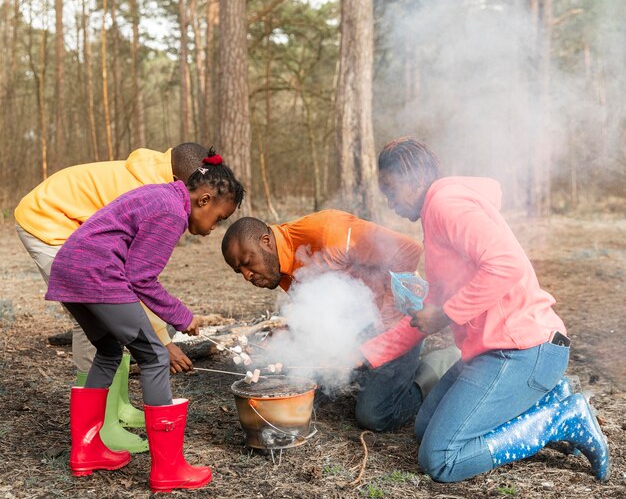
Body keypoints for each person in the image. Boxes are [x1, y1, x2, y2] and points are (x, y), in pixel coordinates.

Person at [376, 137, 611, 482]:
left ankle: (556, 421)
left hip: (522, 351)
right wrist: (367, 354)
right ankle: (548, 398)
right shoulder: (434, 215)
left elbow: (507, 265)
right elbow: (428, 311)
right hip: (489, 354)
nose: (390, 201)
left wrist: (444, 314)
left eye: (391, 189)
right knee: (424, 427)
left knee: (440, 458)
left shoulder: (446, 204)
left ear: (414, 177)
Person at [45, 152, 245, 493]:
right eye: (218, 218)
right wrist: (182, 316)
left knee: (108, 352)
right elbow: (140, 278)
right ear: (204, 199)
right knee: (153, 357)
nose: (213, 229)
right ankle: (168, 470)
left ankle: (86, 450)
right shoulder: (170, 212)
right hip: (98, 274)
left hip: (70, 270)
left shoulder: (160, 195)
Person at [14, 144, 204, 453]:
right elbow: (134, 281)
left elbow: (131, 278)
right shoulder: (154, 194)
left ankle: (118, 407)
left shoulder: (158, 184)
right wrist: (162, 342)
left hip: (70, 225)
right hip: (49, 223)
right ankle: (102, 430)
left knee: (116, 320)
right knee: (96, 319)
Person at [221, 210, 460, 432]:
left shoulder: (326, 230)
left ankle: (439, 364)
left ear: (265, 242)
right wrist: (289, 332)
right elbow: (322, 310)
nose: (246, 275)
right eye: (238, 271)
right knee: (302, 390)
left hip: (395, 326)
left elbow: (409, 249)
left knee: (376, 415)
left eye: (247, 262)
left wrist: (382, 328)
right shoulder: (281, 268)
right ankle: (371, 374)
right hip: (356, 329)